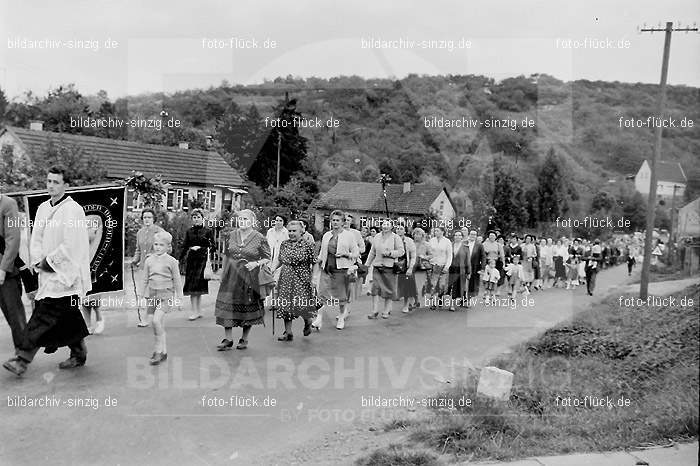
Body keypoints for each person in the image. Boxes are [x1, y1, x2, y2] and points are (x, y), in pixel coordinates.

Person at [3, 166, 92, 376]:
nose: (51, 185)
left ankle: (22, 360)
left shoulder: (73, 210)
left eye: (56, 182)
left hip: (64, 274)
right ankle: (79, 352)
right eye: (49, 181)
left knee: (43, 316)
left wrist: (49, 262)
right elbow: (37, 238)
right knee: (67, 316)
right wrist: (37, 261)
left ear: (66, 185)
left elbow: (72, 245)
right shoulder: (43, 207)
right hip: (46, 273)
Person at [214, 209, 271, 350]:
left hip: (249, 277)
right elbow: (227, 255)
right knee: (227, 306)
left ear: (252, 221)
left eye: (245, 219)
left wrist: (255, 263)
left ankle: (244, 339)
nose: (242, 222)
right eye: (240, 219)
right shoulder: (231, 235)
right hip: (231, 276)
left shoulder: (259, 237)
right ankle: (228, 339)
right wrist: (222, 273)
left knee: (248, 307)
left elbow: (267, 257)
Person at [311, 210, 359, 330]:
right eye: (333, 220)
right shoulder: (327, 235)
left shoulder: (349, 236)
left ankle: (342, 317)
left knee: (341, 296)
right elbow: (322, 253)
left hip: (341, 270)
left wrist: (345, 254)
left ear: (343, 222)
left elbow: (356, 253)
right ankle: (319, 319)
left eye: (338, 220)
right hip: (327, 268)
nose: (335, 222)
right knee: (321, 294)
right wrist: (317, 265)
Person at [142, 231, 183, 365]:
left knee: (156, 321)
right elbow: (144, 279)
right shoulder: (149, 260)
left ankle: (158, 350)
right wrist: (141, 295)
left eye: (161, 245)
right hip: (153, 294)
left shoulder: (172, 261)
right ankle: (164, 352)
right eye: (156, 244)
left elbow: (177, 280)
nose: (158, 247)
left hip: (166, 295)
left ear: (167, 247)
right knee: (159, 324)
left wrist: (180, 299)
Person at [275, 220, 317, 341]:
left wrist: (314, 278)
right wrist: (272, 269)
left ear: (301, 231)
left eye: (294, 231)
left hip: (301, 278)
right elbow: (280, 260)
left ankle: (307, 321)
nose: (291, 233)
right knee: (285, 305)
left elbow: (315, 263)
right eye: (290, 231)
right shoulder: (284, 244)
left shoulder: (308, 245)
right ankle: (288, 332)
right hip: (286, 278)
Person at [0, 193, 27, 354]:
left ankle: (23, 354)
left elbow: (13, 239)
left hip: (5, 271)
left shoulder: (8, 204)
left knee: (15, 316)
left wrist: (3, 269)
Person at [365, 219, 404, 319]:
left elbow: (401, 251)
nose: (385, 226)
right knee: (375, 289)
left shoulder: (396, 237)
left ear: (392, 227)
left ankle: (386, 310)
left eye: (388, 224)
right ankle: (374, 311)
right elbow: (372, 252)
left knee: (389, 290)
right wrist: (367, 264)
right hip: (377, 266)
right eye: (383, 224)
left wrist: (390, 253)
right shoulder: (377, 236)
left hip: (389, 268)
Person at [132, 208, 165, 327]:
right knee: (146, 293)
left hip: (156, 266)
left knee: (154, 293)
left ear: (153, 219)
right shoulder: (140, 232)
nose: (147, 220)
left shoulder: (159, 231)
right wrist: (135, 260)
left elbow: (167, 248)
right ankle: (146, 318)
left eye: (149, 217)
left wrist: (155, 254)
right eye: (145, 217)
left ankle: (156, 316)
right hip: (143, 267)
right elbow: (138, 249)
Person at [180, 208, 215, 321]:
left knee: (198, 288)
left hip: (202, 262)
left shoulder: (208, 231)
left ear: (202, 218)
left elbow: (213, 247)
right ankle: (194, 311)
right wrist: (179, 259)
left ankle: (198, 311)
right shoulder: (189, 231)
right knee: (192, 288)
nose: (196, 219)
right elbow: (185, 246)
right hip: (191, 262)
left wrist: (202, 248)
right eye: (194, 217)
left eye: (198, 217)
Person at [446, 230, 471, 311]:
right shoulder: (450, 245)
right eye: (456, 235)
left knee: (459, 287)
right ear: (453, 237)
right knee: (451, 287)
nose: (457, 237)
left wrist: (468, 272)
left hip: (461, 269)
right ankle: (448, 304)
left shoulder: (466, 247)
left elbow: (468, 261)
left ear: (462, 237)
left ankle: (457, 303)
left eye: (459, 235)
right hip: (451, 269)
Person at [427, 226, 451, 307]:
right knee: (433, 284)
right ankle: (433, 302)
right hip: (433, 265)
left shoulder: (447, 241)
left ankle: (440, 298)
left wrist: (447, 266)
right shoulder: (432, 241)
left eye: (437, 231)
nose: (435, 232)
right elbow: (429, 252)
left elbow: (449, 255)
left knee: (442, 285)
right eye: (435, 231)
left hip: (443, 265)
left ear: (442, 232)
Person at [395, 224, 417, 313]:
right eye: (397, 228)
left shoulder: (409, 241)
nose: (399, 230)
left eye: (401, 229)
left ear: (405, 231)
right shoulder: (392, 240)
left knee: (407, 286)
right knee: (398, 286)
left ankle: (406, 304)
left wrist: (410, 268)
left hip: (406, 267)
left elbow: (413, 256)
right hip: (395, 267)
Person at [344, 213, 366, 301]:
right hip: (340, 261)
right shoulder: (337, 232)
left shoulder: (356, 233)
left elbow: (363, 248)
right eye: (344, 220)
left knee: (350, 282)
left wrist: (354, 251)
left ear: (351, 222)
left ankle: (348, 301)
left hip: (352, 261)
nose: (346, 222)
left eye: (348, 220)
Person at [411, 228, 432, 309]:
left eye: (419, 234)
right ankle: (415, 300)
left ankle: (416, 301)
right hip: (411, 267)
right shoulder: (410, 243)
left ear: (422, 236)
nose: (417, 236)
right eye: (415, 234)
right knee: (411, 285)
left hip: (421, 267)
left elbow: (431, 255)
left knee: (418, 285)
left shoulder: (426, 244)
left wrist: (424, 257)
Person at [465, 230, 484, 300]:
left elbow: (483, 256)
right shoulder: (464, 243)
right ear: (469, 235)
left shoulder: (479, 245)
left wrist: (482, 268)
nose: (473, 236)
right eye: (471, 234)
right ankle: (462, 297)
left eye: (474, 235)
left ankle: (469, 298)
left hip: (474, 266)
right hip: (464, 265)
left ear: (476, 236)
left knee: (472, 283)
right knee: (463, 282)